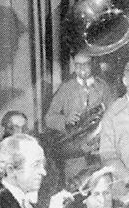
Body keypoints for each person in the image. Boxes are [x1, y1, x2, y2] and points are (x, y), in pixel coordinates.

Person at [44, 50, 111, 181]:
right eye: (77, 65)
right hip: (75, 155)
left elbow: (113, 115)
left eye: (86, 64)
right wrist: (65, 120)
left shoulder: (103, 87)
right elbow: (49, 118)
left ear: (92, 64)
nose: (81, 68)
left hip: (99, 150)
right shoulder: (66, 88)